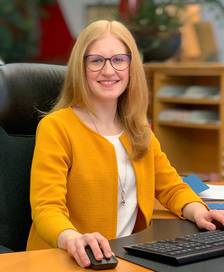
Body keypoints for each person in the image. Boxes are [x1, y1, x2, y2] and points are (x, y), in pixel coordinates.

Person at [26, 20, 224, 268]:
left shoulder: (138, 130)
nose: (109, 71)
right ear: (80, 67)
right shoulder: (57, 128)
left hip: (123, 258)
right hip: (66, 259)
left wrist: (198, 211)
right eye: (96, 60)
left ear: (131, 67)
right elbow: (47, 208)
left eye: (119, 60)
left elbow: (172, 188)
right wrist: (73, 238)